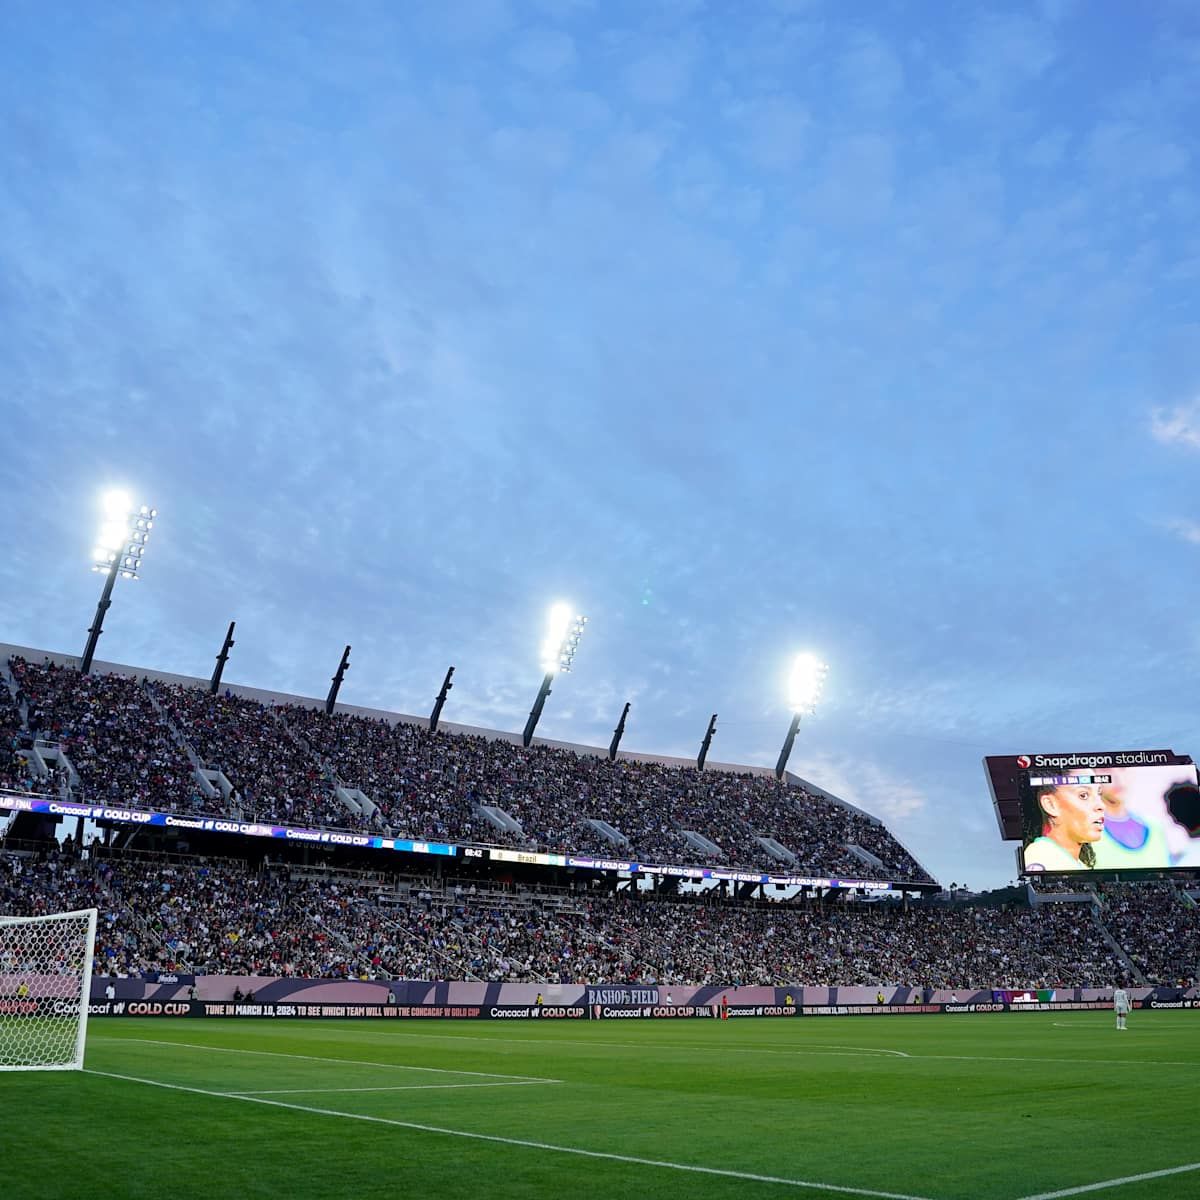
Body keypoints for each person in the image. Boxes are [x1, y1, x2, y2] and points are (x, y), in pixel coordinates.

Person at [1092, 771, 1170, 870]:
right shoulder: (1085, 830)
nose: (1118, 777)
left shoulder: (1155, 828)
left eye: (1123, 768)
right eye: (1106, 769)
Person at [1023, 780, 1105, 871]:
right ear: (1050, 805)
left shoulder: (1071, 861)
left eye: (1099, 794)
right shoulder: (1040, 856)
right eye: (1083, 795)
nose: (1101, 806)